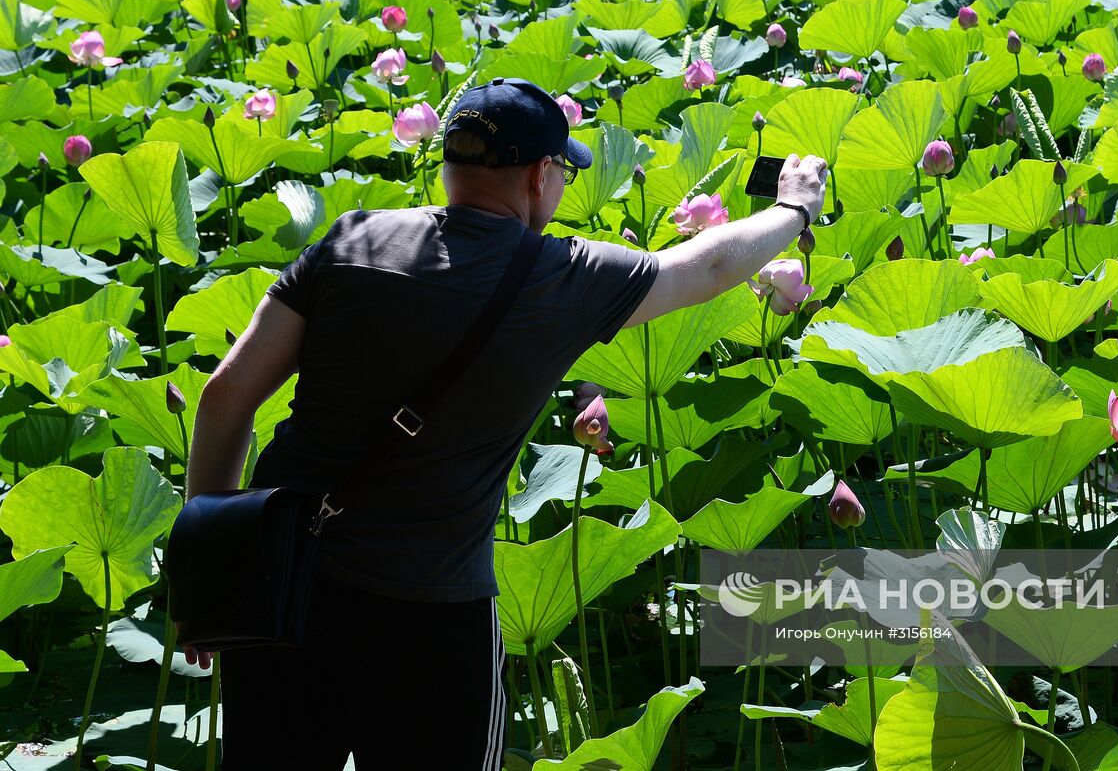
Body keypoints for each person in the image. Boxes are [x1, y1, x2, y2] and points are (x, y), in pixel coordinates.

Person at [180, 76, 828, 769]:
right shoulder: (563, 275)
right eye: (562, 173)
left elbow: (225, 397)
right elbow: (712, 264)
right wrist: (795, 208)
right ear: (539, 175)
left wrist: (210, 577)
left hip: (285, 592)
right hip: (431, 616)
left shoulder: (350, 239)